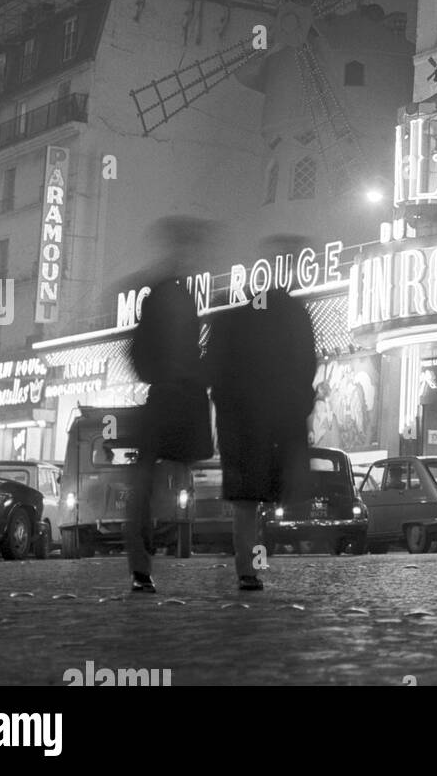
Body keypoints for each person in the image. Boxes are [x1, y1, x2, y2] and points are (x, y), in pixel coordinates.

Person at [205, 235, 318, 591]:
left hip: (243, 424)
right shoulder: (293, 313)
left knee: (247, 503)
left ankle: (249, 570)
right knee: (263, 500)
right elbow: (305, 367)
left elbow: (216, 372)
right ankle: (254, 567)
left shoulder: (241, 318)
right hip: (270, 422)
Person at [124, 217, 215, 594]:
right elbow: (143, 350)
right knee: (150, 480)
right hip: (171, 395)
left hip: (168, 394)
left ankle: (142, 563)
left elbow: (138, 351)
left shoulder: (167, 291)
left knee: (147, 479)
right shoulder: (168, 293)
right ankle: (142, 563)